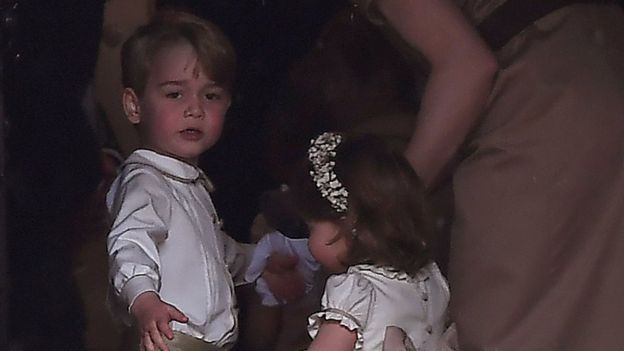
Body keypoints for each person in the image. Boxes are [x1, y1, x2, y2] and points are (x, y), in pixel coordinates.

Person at [355, 0, 624, 349]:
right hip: (600, 57)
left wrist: (384, 205)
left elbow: (467, 68)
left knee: (507, 320)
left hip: (541, 102)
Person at [106, 11, 250, 351]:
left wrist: (263, 261)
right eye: (175, 94)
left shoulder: (188, 184)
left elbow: (215, 255)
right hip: (167, 341)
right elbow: (130, 245)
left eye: (211, 95)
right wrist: (144, 302)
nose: (195, 109)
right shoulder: (145, 182)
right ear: (134, 105)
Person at [289, 132, 455, 351]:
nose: (310, 242)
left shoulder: (358, 293)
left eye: (312, 228)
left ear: (349, 223)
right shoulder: (431, 278)